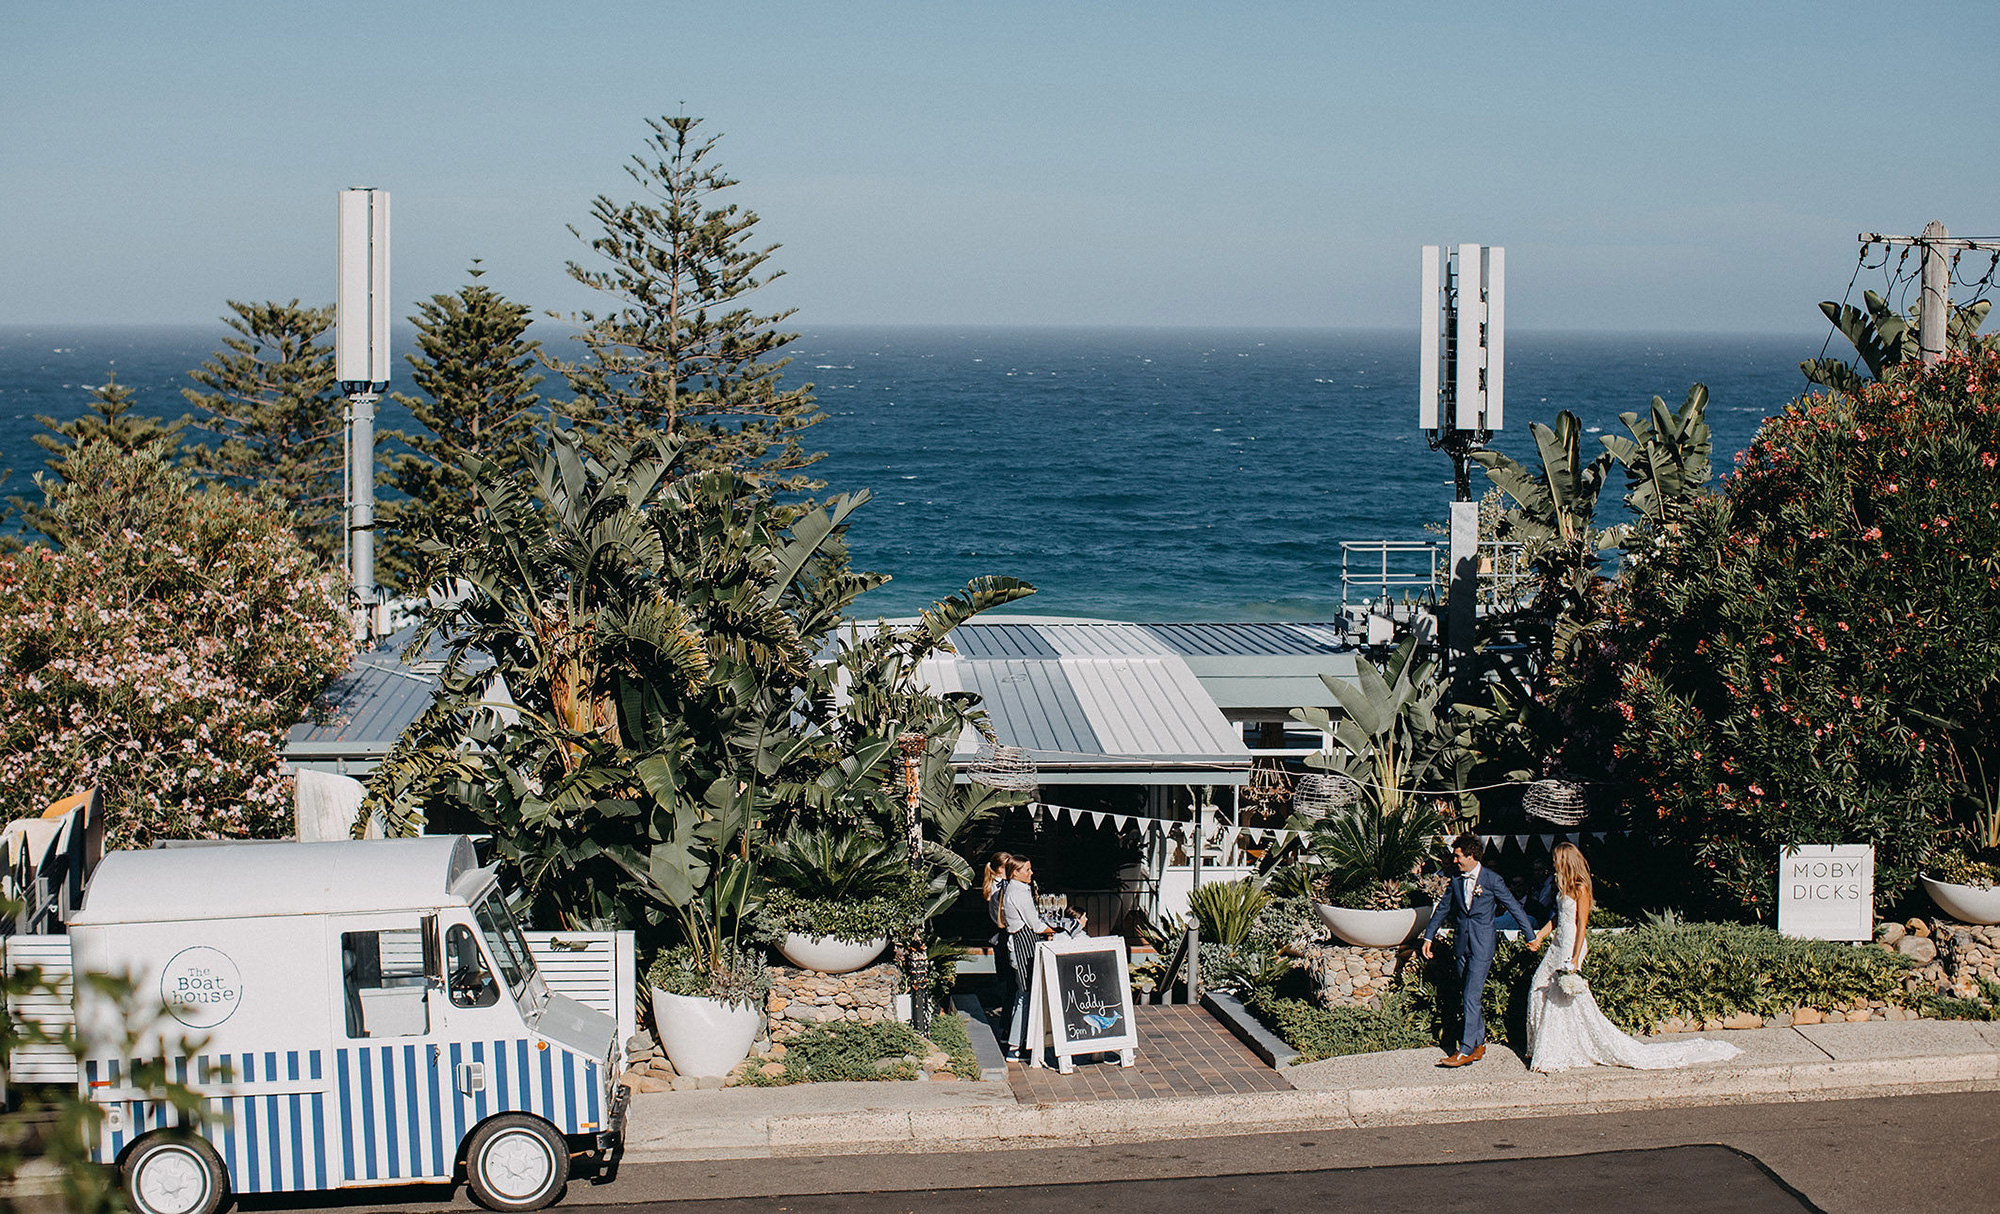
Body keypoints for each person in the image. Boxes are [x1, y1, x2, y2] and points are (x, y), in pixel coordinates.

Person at [1525, 843, 1742, 1073]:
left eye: (1557, 859)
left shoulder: (1580, 888)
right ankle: (1542, 1043)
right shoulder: (1561, 889)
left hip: (1571, 945)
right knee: (1538, 985)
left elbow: (1581, 926)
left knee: (1562, 997)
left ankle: (1557, 1048)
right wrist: (1539, 936)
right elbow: (1558, 919)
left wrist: (1575, 958)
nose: (1554, 863)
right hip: (1558, 943)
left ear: (1566, 860)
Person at [1419, 833, 1539, 1068]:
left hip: (1482, 945)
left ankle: (1465, 1050)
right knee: (1468, 992)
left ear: (1472, 855)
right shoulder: (1455, 880)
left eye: (1458, 856)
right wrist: (1429, 936)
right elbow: (1443, 909)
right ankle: (1479, 1041)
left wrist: (1531, 934)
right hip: (1461, 945)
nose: (1454, 861)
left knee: (1471, 995)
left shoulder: (1492, 880)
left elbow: (1514, 907)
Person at [996, 855, 1057, 1062]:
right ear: (1016, 873)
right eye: (1027, 870)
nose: (1031, 873)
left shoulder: (1018, 890)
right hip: (1023, 946)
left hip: (1024, 944)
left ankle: (1023, 1041)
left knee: (1026, 995)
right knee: (1025, 995)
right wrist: (1056, 930)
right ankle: (1015, 1047)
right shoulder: (1018, 893)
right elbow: (1035, 924)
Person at [982, 852, 1017, 1028]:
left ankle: (1008, 1025)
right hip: (1003, 937)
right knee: (1010, 983)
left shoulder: (1001, 886)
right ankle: (1007, 1026)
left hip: (1000, 937)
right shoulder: (1000, 889)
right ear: (1001, 869)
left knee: (1008, 983)